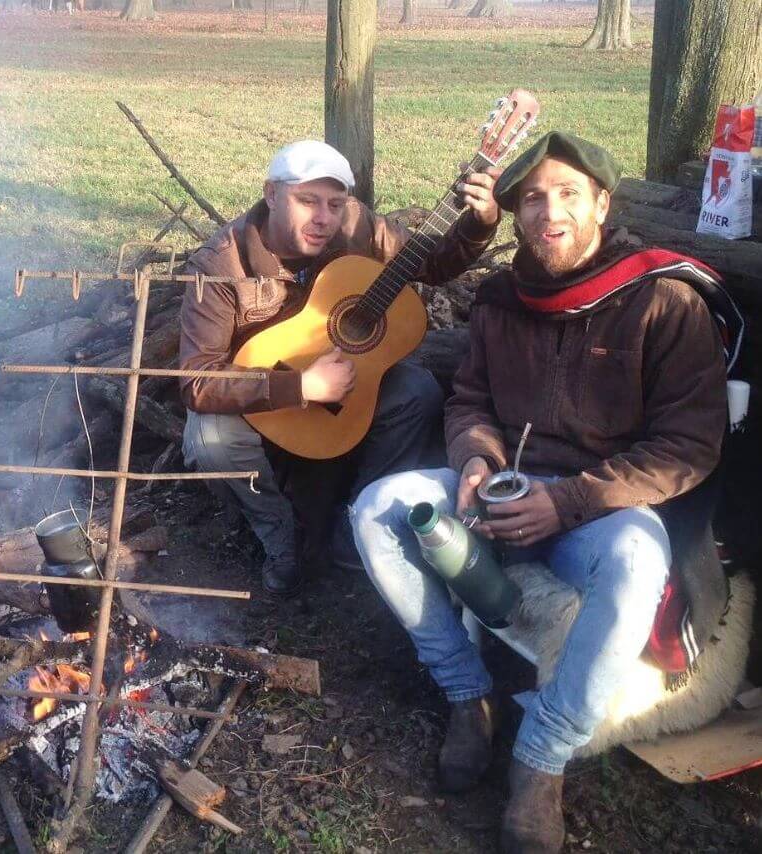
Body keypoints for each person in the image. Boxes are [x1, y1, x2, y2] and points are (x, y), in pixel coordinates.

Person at [351, 132, 742, 853]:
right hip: (505, 487)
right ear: (516, 213)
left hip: (603, 508)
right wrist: (473, 460)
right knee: (378, 506)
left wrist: (566, 504)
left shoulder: (663, 300)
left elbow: (688, 447)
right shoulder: (502, 299)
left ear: (602, 202)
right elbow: (468, 400)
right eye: (532, 198)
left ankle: (542, 757)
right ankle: (468, 697)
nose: (549, 212)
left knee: (635, 564)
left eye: (568, 194)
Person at [179, 139, 502, 596]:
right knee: (208, 437)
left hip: (344, 389)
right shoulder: (219, 264)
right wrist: (301, 386)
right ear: (271, 194)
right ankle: (280, 536)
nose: (323, 218)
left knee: (418, 393)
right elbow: (197, 380)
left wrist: (480, 221)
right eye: (307, 201)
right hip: (260, 402)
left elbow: (432, 261)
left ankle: (359, 525)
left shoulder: (356, 226)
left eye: (335, 203)